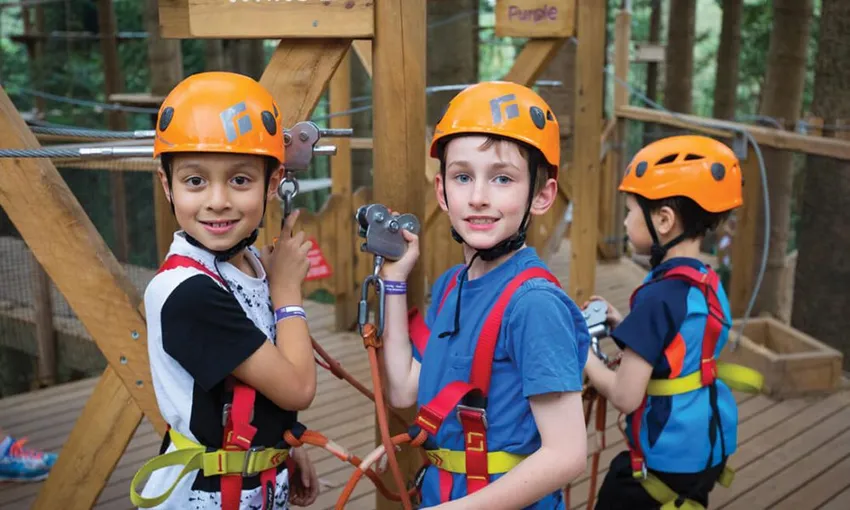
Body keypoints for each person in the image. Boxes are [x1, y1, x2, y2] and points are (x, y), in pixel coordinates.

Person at [380, 81, 590, 509]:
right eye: (462, 177)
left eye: (502, 179)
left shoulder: (533, 304)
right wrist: (395, 283)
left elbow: (566, 454)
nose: (477, 198)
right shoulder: (452, 286)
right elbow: (403, 389)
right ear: (442, 191)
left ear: (542, 195)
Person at [129, 72, 318, 509]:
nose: (217, 200)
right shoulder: (187, 292)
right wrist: (287, 292)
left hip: (250, 480)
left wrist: (286, 442)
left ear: (273, 183)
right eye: (195, 181)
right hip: (207, 493)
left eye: (240, 180)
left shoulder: (244, 265)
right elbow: (297, 387)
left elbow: (256, 381)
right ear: (167, 185)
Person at [583, 135, 760, 509]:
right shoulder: (705, 281)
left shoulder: (658, 298)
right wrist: (623, 323)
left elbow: (625, 396)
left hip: (665, 461)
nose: (626, 220)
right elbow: (680, 341)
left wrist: (584, 354)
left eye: (631, 211)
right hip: (705, 447)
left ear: (663, 220)